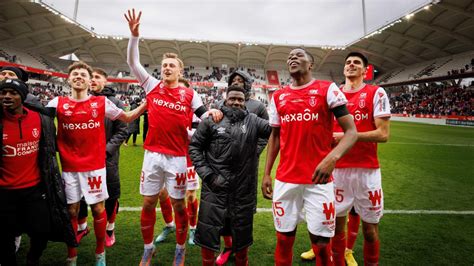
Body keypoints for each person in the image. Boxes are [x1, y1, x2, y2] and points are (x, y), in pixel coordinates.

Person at [124, 9, 222, 266]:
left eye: (171, 66)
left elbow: (202, 115)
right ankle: (148, 249)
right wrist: (134, 37)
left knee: (179, 206)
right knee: (147, 202)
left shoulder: (191, 95)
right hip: (152, 155)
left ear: (180, 71)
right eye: (164, 65)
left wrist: (211, 112)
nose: (166, 68)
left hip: (179, 157)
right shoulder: (152, 85)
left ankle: (180, 249)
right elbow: (133, 64)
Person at [261, 48, 357, 266]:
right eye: (290, 56)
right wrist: (267, 173)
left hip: (319, 181)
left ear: (310, 64)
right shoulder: (279, 96)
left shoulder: (327, 89)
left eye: (298, 55)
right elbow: (275, 136)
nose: (292, 58)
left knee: (322, 245)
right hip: (285, 180)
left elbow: (351, 132)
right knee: (284, 240)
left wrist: (332, 158)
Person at [45, 61, 146, 266]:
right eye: (75, 74)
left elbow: (126, 118)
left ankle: (100, 253)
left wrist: (147, 103)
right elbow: (39, 120)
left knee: (99, 209)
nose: (79, 77)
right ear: (69, 78)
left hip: (95, 166)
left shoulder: (101, 103)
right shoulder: (57, 103)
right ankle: (71, 256)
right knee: (72, 210)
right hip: (70, 167)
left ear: (89, 80)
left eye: (83, 74)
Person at [189, 85, 271, 266]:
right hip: (214, 190)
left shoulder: (253, 120)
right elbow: (195, 147)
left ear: (245, 102)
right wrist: (208, 176)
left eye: (240, 100)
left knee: (241, 245)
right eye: (232, 99)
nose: (236, 102)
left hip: (243, 193)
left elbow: (276, 129)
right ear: (226, 100)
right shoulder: (212, 120)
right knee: (209, 243)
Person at [0, 79, 76, 265]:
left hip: (35, 189)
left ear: (23, 96)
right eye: (3, 93)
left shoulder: (41, 119)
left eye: (13, 92)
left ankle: (32, 259)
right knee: (5, 238)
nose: (7, 96)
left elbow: (52, 148)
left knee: (42, 231)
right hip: (4, 192)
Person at [331, 52, 390, 266]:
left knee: (370, 230)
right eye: (348, 62)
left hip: (368, 172)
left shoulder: (377, 92)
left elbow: (383, 134)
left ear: (365, 70)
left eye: (357, 63)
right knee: (336, 229)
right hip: (338, 171)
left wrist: (348, 136)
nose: (351, 65)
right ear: (343, 69)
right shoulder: (333, 95)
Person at [214, 67, 270, 265]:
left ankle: (240, 248)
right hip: (223, 166)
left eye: (240, 79)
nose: (236, 82)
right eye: (234, 79)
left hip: (247, 168)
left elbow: (266, 134)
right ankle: (228, 246)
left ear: (247, 83)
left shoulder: (258, 107)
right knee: (223, 212)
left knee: (242, 212)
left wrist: (254, 151)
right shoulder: (221, 103)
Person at [76, 68, 129, 248]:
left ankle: (109, 229)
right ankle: (82, 227)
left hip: (107, 158)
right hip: (83, 159)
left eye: (97, 77)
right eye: (92, 78)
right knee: (80, 194)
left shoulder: (115, 103)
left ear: (105, 81)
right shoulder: (82, 100)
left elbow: (123, 130)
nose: (93, 80)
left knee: (111, 195)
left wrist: (106, 151)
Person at [154, 78, 201, 246]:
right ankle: (169, 225)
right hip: (165, 156)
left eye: (181, 91)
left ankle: (193, 228)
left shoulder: (195, 111)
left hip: (188, 158)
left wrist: (183, 130)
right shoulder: (166, 108)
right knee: (162, 193)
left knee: (189, 196)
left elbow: (198, 135)